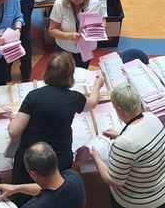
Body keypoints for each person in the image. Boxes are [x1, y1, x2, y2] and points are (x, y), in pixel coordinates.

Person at [89, 82, 165, 208]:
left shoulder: (124, 144)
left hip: (144, 203)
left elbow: (114, 181)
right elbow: (142, 140)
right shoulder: (152, 117)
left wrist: (97, 159)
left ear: (120, 110)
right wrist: (120, 135)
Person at [7, 53, 102, 198]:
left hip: (32, 158)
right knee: (54, 196)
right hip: (59, 158)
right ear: (70, 76)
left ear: (48, 71)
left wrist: (13, 118)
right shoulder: (74, 98)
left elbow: (14, 131)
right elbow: (92, 103)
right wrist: (97, 86)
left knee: (22, 196)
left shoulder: (34, 96)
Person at [48, 0, 104, 69]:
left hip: (86, 47)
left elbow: (102, 21)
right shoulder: (60, 3)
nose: (76, 1)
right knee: (63, 75)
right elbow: (52, 30)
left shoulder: (94, 2)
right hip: (65, 48)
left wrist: (97, 30)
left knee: (82, 73)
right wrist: (69, 36)